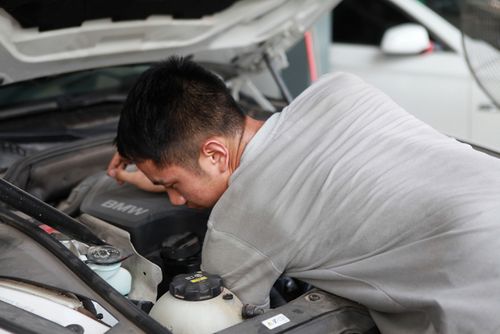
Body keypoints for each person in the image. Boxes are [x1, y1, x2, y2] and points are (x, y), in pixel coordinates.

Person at [108, 56, 500, 333]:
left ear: (214, 153)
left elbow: (220, 320)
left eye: (173, 185)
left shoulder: (241, 224)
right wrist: (156, 178)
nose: (176, 200)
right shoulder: (339, 88)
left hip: (480, 286)